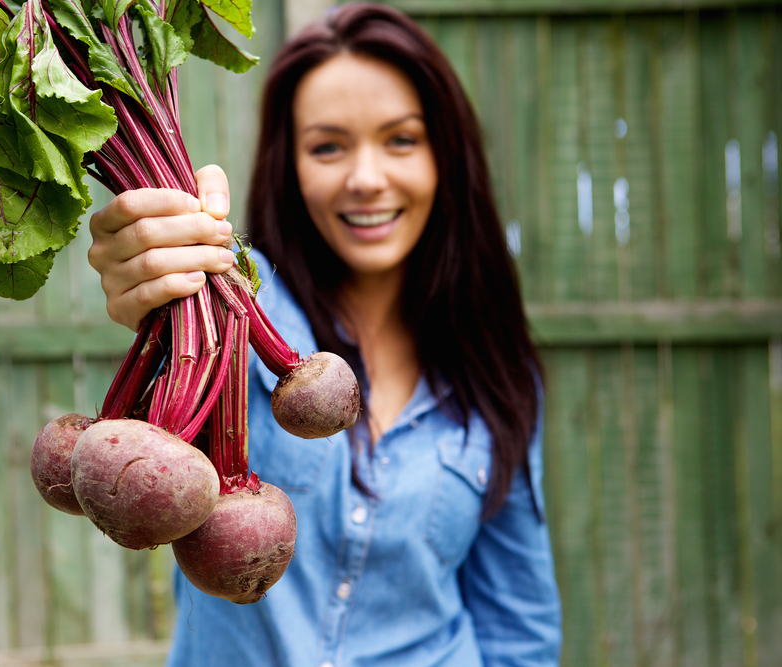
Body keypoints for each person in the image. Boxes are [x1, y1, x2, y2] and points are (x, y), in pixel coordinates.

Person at [87, 3, 562, 665]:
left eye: (401, 139)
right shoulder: (230, 311)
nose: (367, 179)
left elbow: (520, 627)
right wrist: (148, 275)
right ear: (290, 167)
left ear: (446, 157)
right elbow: (162, 306)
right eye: (328, 146)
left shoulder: (495, 370)